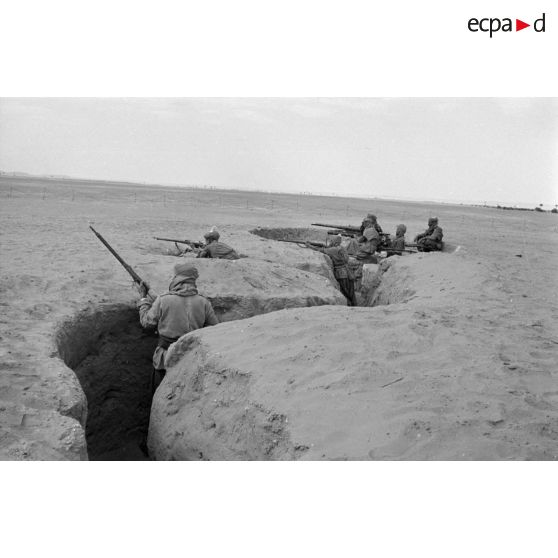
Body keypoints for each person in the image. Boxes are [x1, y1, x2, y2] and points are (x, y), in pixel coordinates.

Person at [137, 262, 218, 394]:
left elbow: (146, 322)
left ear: (177, 279)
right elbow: (214, 328)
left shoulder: (163, 300)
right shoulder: (203, 302)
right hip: (191, 357)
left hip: (165, 358)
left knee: (159, 393)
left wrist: (143, 299)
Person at [306, 235, 357, 306]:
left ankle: (349, 307)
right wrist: (314, 243)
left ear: (334, 242)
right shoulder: (342, 248)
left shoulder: (333, 250)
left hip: (341, 274)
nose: (330, 243)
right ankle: (354, 306)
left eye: (331, 241)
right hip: (349, 272)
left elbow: (320, 250)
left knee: (345, 293)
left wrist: (309, 245)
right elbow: (326, 247)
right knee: (351, 294)